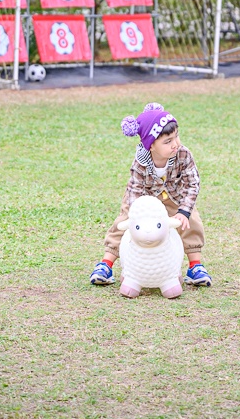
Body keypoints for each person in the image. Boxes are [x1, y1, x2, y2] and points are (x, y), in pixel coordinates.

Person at [89, 102, 212, 287]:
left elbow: (192, 183)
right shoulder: (141, 161)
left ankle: (195, 266)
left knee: (191, 221)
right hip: (143, 199)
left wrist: (184, 211)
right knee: (122, 223)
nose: (175, 144)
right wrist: (135, 214)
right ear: (151, 145)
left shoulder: (184, 154)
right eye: (167, 141)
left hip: (175, 196)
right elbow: (135, 188)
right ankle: (106, 264)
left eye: (176, 137)